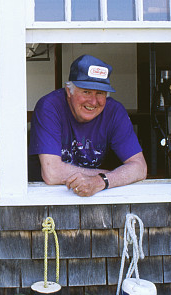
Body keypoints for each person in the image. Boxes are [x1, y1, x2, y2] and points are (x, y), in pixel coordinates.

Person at [29, 54, 148, 197]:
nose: (93, 101)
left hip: (96, 195)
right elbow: (52, 173)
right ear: (69, 91)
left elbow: (140, 168)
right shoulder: (49, 106)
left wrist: (101, 181)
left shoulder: (115, 111)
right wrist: (114, 176)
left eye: (100, 93)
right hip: (47, 197)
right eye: (86, 92)